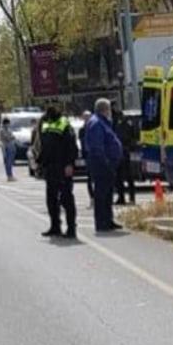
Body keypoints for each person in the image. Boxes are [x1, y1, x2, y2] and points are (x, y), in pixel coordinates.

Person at [37, 106, 78, 239]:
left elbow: (72, 146)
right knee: (51, 200)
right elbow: (45, 146)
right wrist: (40, 162)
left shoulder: (64, 124)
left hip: (62, 166)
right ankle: (55, 226)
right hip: (51, 167)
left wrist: (69, 164)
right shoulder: (46, 124)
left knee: (66, 199)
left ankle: (71, 229)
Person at [85, 98, 123, 232]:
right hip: (101, 165)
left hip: (108, 164)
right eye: (109, 110)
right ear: (105, 110)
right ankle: (101, 223)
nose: (110, 112)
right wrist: (106, 163)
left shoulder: (102, 122)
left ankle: (108, 220)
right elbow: (96, 147)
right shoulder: (97, 123)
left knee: (108, 194)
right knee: (101, 194)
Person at [113, 108, 137, 205]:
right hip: (120, 153)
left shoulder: (126, 126)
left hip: (124, 153)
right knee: (120, 177)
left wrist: (128, 147)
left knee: (127, 176)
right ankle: (122, 197)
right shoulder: (116, 125)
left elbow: (131, 138)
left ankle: (130, 197)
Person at [79, 110, 94, 208]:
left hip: (96, 156)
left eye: (88, 117)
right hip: (88, 157)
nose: (87, 119)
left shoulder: (94, 128)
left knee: (98, 179)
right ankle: (92, 199)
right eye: (85, 117)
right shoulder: (82, 130)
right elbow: (82, 143)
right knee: (89, 179)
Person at [0, 118, 17, 182]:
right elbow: (7, 137)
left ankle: (11, 175)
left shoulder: (9, 129)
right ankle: (9, 176)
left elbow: (12, 136)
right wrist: (11, 137)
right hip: (6, 147)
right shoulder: (2, 130)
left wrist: (12, 137)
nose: (8, 124)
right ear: (5, 123)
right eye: (8, 123)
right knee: (8, 163)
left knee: (10, 162)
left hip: (11, 147)